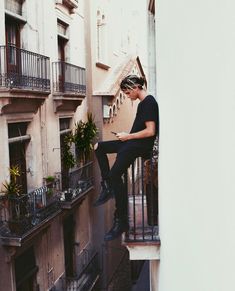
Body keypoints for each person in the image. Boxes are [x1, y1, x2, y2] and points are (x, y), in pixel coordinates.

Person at [93, 74, 159, 241]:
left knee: (116, 174)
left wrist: (128, 137)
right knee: (99, 147)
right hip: (131, 142)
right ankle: (107, 186)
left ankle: (121, 219)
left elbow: (151, 131)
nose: (128, 96)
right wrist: (126, 137)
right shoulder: (143, 104)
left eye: (128, 92)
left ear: (136, 87)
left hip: (139, 146)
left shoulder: (149, 102)